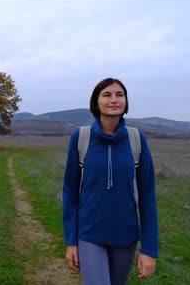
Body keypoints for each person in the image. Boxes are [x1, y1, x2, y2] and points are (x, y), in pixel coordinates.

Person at [62, 77, 159, 285]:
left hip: (126, 237)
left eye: (119, 95)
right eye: (107, 95)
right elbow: (70, 192)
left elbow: (148, 196)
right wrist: (71, 241)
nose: (114, 99)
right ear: (96, 102)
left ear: (125, 102)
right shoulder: (80, 138)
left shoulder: (136, 139)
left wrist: (149, 249)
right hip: (90, 234)